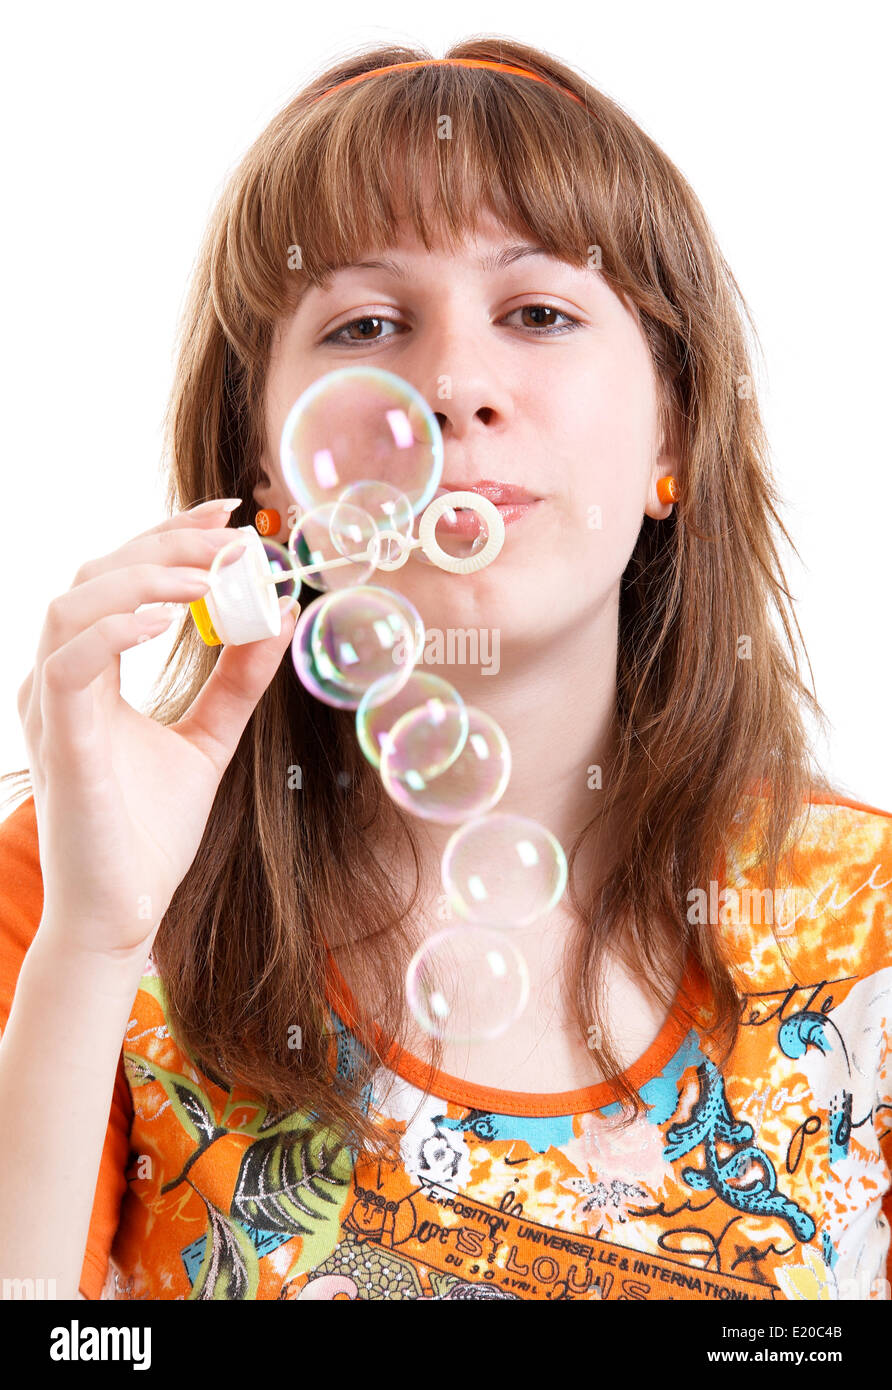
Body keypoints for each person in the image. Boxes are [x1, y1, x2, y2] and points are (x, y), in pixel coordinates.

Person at [0, 38, 890, 1304]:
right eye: (366, 324)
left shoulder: (871, 930)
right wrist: (95, 943)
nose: (454, 387)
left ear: (672, 430)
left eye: (537, 311)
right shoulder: (67, 890)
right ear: (268, 474)